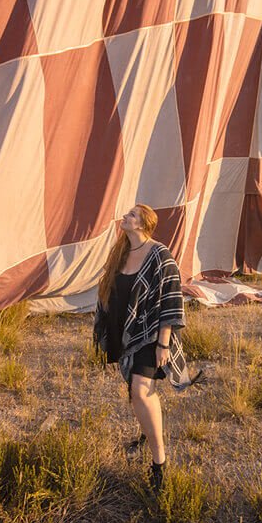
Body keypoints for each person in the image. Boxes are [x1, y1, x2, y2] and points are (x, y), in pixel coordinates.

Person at [93, 203, 197, 495]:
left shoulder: (160, 255)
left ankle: (159, 464)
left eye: (132, 215)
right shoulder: (121, 252)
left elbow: (170, 298)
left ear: (143, 223)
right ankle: (146, 432)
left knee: (140, 390)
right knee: (134, 388)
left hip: (150, 334)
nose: (125, 217)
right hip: (123, 331)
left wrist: (163, 342)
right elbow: (109, 288)